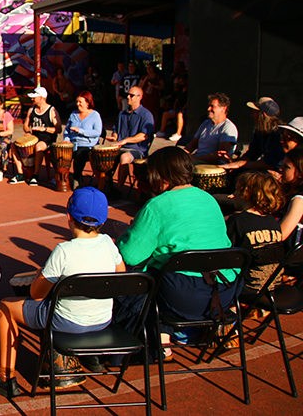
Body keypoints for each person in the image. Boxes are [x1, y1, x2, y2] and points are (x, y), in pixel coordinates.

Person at [0, 187, 124, 398]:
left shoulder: (64, 251)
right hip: (102, 319)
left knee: (5, 306)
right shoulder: (108, 243)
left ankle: (5, 376)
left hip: (66, 320)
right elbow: (118, 276)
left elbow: (37, 294)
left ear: (68, 216)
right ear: (103, 221)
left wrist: (42, 273)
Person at [114, 147, 240, 360]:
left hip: (182, 296)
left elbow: (131, 256)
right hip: (225, 290)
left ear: (160, 176)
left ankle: (159, 341)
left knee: (136, 284)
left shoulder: (156, 206)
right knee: (168, 268)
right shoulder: (209, 199)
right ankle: (175, 333)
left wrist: (124, 237)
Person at [226, 172, 285, 297]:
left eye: (237, 191)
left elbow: (226, 253)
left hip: (248, 286)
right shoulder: (272, 222)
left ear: (246, 194)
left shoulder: (238, 221)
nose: (233, 195)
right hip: (274, 284)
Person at [105, 85, 154, 193]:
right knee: (103, 155)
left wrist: (126, 140)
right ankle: (105, 185)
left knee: (125, 157)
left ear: (140, 97)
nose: (128, 97)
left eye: (132, 95)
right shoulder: (122, 114)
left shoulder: (146, 115)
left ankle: (119, 189)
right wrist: (114, 137)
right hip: (120, 147)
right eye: (127, 95)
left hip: (137, 149)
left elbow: (143, 136)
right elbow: (116, 130)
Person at [220, 97, 285, 175]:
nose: (252, 114)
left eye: (255, 111)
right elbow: (252, 154)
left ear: (262, 115)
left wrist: (240, 164)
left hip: (277, 173)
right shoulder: (260, 132)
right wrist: (233, 163)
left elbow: (270, 164)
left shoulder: (279, 134)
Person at [10, 87, 59, 186]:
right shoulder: (31, 109)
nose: (32, 99)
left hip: (47, 140)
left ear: (41, 98)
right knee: (14, 145)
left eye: (34, 97)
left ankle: (35, 175)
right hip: (34, 138)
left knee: (39, 147)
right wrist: (27, 131)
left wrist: (44, 129)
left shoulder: (51, 110)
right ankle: (20, 174)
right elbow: (25, 125)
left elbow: (58, 129)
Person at [184, 92, 238, 164]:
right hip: (197, 159)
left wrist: (196, 158)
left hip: (211, 164)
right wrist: (182, 154)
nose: (209, 109)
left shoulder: (228, 127)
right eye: (209, 106)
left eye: (212, 106)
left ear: (223, 109)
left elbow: (221, 155)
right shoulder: (206, 124)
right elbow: (192, 144)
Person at [64, 91, 103, 190]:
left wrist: (81, 131)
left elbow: (97, 132)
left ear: (88, 102)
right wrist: (66, 139)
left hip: (88, 145)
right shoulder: (73, 114)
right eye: (77, 102)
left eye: (80, 102)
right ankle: (61, 179)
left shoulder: (95, 115)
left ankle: (76, 179)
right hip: (73, 144)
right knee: (59, 154)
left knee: (80, 154)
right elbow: (67, 130)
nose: (78, 104)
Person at [279, 148, 303, 248]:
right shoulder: (288, 193)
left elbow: (281, 234)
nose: (281, 169)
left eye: (287, 167)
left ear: (300, 173)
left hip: (292, 260)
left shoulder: (299, 201)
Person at [156, 73, 187, 142]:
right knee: (165, 114)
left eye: (182, 80)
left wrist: (181, 110)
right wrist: (174, 109)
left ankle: (178, 134)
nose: (181, 82)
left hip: (184, 110)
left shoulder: (188, 91)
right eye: (180, 80)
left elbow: (187, 103)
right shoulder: (180, 90)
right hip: (177, 109)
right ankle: (162, 131)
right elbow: (176, 100)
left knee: (180, 115)